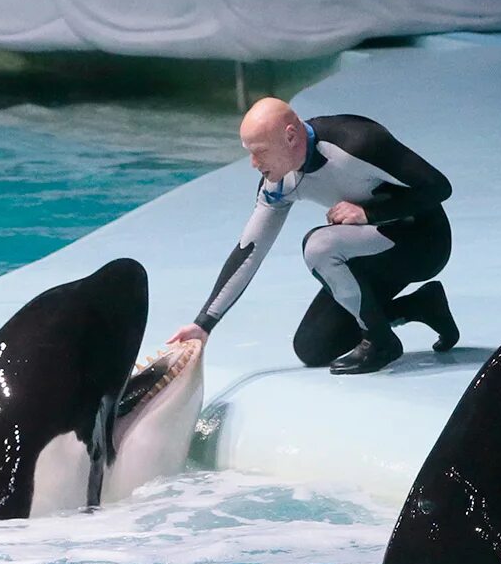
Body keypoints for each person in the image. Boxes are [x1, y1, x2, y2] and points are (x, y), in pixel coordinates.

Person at [169, 98, 458, 374]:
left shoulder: (357, 142)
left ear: (291, 136)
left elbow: (438, 187)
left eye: (260, 151)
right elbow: (250, 250)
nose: (253, 163)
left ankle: (381, 343)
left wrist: (369, 213)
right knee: (314, 347)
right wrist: (204, 325)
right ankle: (422, 305)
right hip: (368, 255)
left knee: (319, 247)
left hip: (424, 245)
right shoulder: (279, 183)